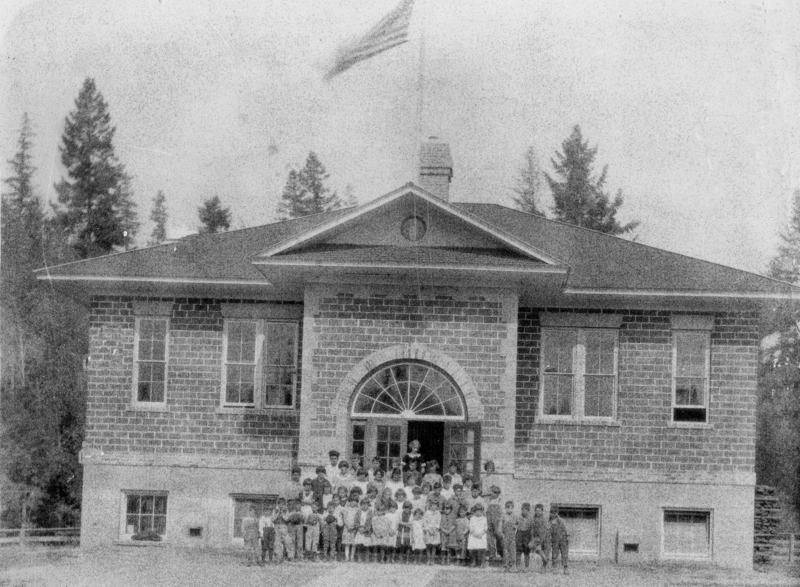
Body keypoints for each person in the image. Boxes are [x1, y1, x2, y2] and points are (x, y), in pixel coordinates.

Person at [271, 498, 294, 563]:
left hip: (284, 526)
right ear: (277, 504)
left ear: (284, 505)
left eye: (282, 504)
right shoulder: (275, 510)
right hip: (277, 527)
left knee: (288, 541)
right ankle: (279, 557)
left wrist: (283, 513)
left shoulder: (286, 511)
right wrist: (277, 513)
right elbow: (272, 519)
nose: (281, 506)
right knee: (277, 542)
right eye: (279, 504)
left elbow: (287, 519)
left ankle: (291, 556)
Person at [530, 503, 551, 572]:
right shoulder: (533, 519)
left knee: (546, 551)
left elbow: (545, 530)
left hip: (545, 537)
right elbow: (532, 529)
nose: (538, 512)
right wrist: (533, 538)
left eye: (539, 511)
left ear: (542, 511)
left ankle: (544, 567)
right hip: (537, 537)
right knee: (532, 546)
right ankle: (544, 557)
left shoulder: (544, 519)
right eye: (536, 511)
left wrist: (542, 539)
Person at [485, 485, 503, 560]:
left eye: (492, 493)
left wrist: (500, 522)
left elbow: (502, 512)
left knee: (499, 535)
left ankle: (501, 552)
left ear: (496, 494)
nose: (491, 494)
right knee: (490, 536)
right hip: (489, 519)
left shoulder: (500, 500)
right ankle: (492, 553)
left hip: (497, 520)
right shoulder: (488, 501)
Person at [549, 507, 569, 575]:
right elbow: (549, 530)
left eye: (553, 513)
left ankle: (565, 568)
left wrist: (567, 538)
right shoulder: (550, 521)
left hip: (563, 538)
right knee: (554, 553)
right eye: (551, 512)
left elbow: (567, 530)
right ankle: (555, 567)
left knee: (564, 553)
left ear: (556, 513)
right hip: (555, 539)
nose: (551, 514)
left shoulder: (562, 520)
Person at [499, 500, 518, 572]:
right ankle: (505, 565)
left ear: (513, 508)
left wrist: (515, 528)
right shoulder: (503, 516)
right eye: (507, 508)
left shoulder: (515, 516)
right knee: (505, 550)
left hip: (512, 536)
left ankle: (513, 565)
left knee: (512, 550)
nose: (509, 509)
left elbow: (517, 524)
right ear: (505, 508)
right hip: (505, 535)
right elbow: (500, 525)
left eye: (510, 508)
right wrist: (501, 533)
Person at [354, 497, 373, 562]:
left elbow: (370, 522)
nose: (364, 506)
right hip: (359, 529)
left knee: (366, 545)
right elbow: (356, 521)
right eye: (363, 504)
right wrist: (359, 528)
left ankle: (366, 558)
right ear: (361, 505)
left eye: (366, 504)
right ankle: (359, 558)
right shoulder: (359, 512)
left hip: (366, 530)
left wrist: (365, 529)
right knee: (359, 545)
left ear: (368, 505)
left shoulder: (370, 512)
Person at [341, 494, 359, 562]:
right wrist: (348, 526)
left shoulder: (358, 510)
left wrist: (354, 526)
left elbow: (358, 519)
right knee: (347, 543)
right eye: (352, 501)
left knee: (354, 543)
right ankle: (346, 556)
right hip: (347, 527)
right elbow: (344, 518)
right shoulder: (346, 509)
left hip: (354, 528)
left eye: (355, 501)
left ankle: (352, 557)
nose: (353, 502)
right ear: (349, 501)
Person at [423, 500, 442, 565]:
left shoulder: (438, 513)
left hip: (435, 531)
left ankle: (433, 560)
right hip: (428, 531)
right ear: (430, 506)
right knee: (428, 546)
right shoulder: (427, 513)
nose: (434, 507)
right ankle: (428, 560)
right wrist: (428, 529)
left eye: (435, 505)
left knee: (434, 546)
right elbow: (425, 522)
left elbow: (438, 522)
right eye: (432, 505)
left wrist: (435, 529)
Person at [440, 501, 458, 565]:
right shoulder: (442, 516)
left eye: (448, 509)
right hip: (443, 533)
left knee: (449, 547)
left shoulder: (453, 516)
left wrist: (449, 531)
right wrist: (444, 530)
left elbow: (454, 525)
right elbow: (440, 525)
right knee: (443, 547)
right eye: (445, 508)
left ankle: (448, 559)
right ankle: (443, 559)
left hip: (450, 533)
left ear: (450, 509)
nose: (446, 510)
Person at [516, 503, 533, 570]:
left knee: (527, 551)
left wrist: (531, 539)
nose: (523, 511)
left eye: (525, 510)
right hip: (519, 534)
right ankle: (518, 566)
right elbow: (515, 526)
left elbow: (532, 529)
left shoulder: (530, 519)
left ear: (528, 511)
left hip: (527, 535)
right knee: (518, 551)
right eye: (522, 510)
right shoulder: (518, 517)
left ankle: (526, 566)